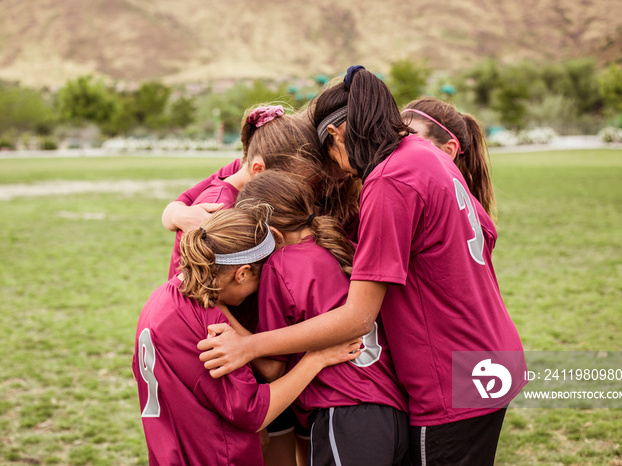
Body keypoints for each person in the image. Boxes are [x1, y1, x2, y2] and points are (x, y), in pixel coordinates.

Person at [197, 66, 526, 465]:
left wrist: (248, 346)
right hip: (494, 355)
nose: (341, 173)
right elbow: (486, 231)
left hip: (450, 375)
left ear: (336, 135)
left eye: (329, 156)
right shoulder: (424, 153)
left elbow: (356, 319)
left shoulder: (389, 179)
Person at [133, 207, 362, 465]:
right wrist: (317, 357)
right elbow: (254, 412)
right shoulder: (209, 324)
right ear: (242, 274)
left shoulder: (162, 297)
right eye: (260, 279)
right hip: (216, 457)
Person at [237, 170, 410, 465]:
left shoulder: (280, 266)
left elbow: (271, 369)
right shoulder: (344, 246)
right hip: (393, 409)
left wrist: (223, 313)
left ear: (272, 235)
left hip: (345, 414)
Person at [166, 104, 320, 279]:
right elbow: (210, 286)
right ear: (259, 170)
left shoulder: (242, 173)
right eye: (290, 186)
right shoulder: (219, 208)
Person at [400, 97, 496, 221]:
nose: (399, 149)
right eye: (398, 140)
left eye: (413, 139)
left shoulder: (436, 209)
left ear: (449, 150)